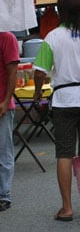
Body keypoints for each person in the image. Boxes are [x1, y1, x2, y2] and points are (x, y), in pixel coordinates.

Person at [32, 0, 80, 222]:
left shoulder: (52, 38)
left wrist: (38, 93)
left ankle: (67, 208)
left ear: (60, 12)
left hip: (64, 99)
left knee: (64, 153)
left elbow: (39, 72)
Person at [0, 32, 19, 212]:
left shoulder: (6, 37)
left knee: (3, 151)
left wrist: (6, 101)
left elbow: (13, 71)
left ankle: (3, 194)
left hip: (1, 104)